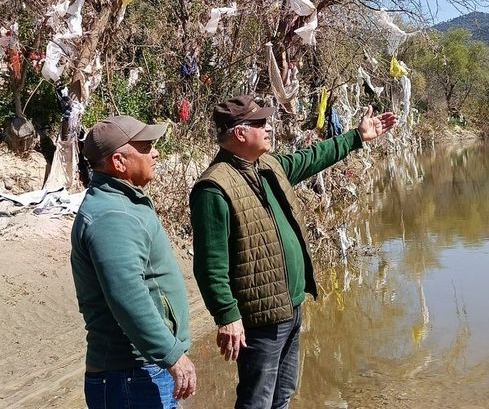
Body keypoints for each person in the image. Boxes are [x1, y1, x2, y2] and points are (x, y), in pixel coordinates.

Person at [190, 96, 396, 408]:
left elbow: (311, 158)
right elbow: (210, 264)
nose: (270, 127)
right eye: (261, 123)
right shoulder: (213, 188)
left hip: (291, 305)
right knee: (256, 400)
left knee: (283, 393)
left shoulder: (268, 165)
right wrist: (227, 315)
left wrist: (356, 136)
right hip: (260, 317)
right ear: (239, 133)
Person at [71, 115, 197, 408]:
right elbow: (127, 295)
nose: (155, 152)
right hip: (131, 376)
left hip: (137, 372)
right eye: (146, 146)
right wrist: (171, 354)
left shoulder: (123, 203)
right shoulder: (112, 216)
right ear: (119, 161)